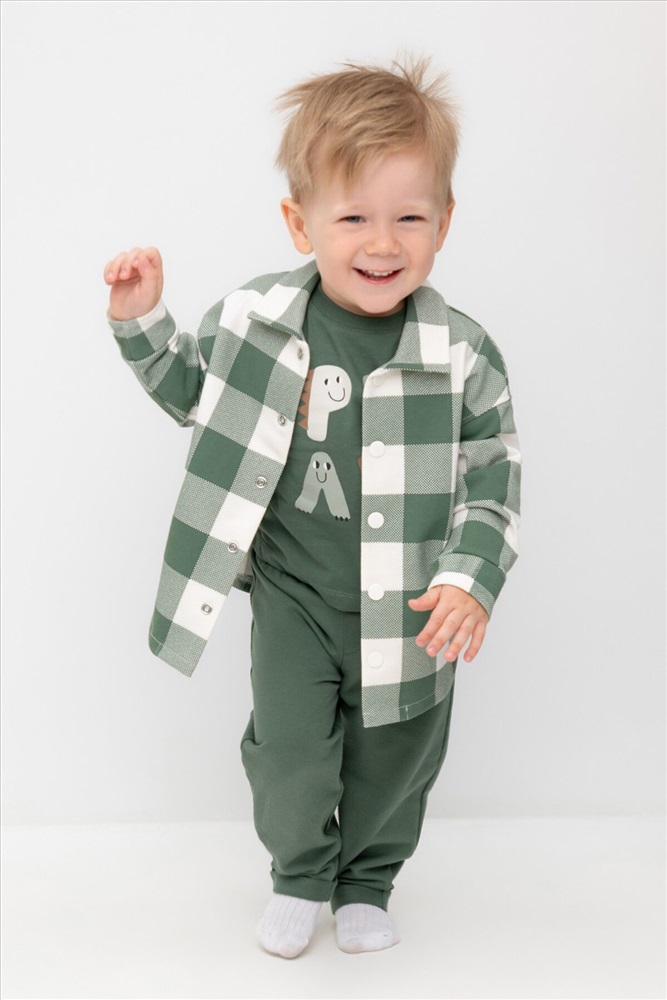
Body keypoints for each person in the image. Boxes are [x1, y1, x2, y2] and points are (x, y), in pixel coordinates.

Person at [103, 56, 521, 959]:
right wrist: (142, 321)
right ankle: (298, 873)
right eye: (353, 218)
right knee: (290, 749)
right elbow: (192, 393)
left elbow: (494, 475)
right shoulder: (255, 320)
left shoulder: (462, 355)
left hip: (410, 604)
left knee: (395, 755)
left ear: (444, 223)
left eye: (409, 218)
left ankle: (365, 880)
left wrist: (469, 579)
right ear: (300, 222)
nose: (382, 243)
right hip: (293, 595)